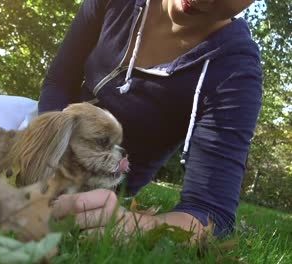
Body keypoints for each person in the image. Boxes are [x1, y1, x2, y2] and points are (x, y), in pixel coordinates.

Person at [39, 0, 262, 237]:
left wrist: (138, 228)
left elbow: (211, 214)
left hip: (102, 184)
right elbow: (59, 83)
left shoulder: (234, 72)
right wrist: (49, 150)